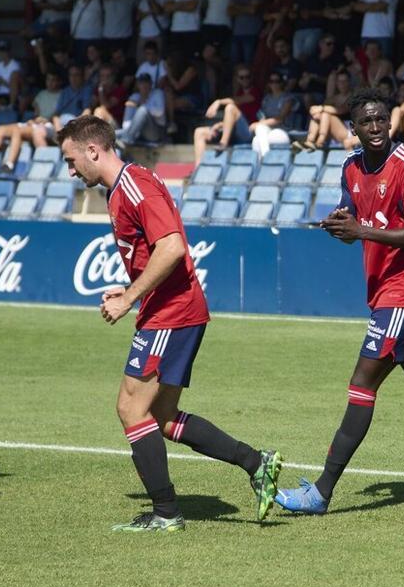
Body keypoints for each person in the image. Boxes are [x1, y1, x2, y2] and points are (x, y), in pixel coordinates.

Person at [56, 115, 283, 529]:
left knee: (130, 407)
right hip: (172, 309)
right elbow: (153, 253)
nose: (70, 170)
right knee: (161, 417)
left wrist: (129, 297)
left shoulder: (134, 186)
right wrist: (126, 287)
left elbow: (173, 247)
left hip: (172, 312)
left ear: (93, 150)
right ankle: (257, 462)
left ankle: (166, 513)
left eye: (72, 160)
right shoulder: (125, 187)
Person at [275, 89, 404, 519]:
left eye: (381, 120)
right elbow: (352, 209)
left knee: (361, 384)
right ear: (352, 128)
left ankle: (321, 491)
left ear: (390, 123)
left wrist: (363, 231)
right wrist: (339, 221)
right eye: (366, 122)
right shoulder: (351, 166)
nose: (375, 128)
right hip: (391, 292)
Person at [191, 66, 259, 165]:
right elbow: (233, 119)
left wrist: (218, 102)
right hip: (233, 132)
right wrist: (220, 125)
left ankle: (223, 143)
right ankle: (197, 170)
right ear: (237, 79)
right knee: (199, 132)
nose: (245, 79)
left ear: (252, 77)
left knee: (230, 107)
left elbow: (238, 101)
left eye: (247, 77)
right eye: (241, 77)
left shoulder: (256, 91)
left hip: (248, 132)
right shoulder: (239, 91)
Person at [118, 72, 168, 146]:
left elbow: (160, 112)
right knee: (113, 134)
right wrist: (134, 129)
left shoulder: (157, 93)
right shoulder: (133, 97)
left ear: (151, 84)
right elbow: (126, 124)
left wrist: (141, 104)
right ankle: (126, 139)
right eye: (141, 83)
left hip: (155, 132)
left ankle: (126, 140)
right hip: (136, 133)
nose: (144, 85)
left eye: (147, 82)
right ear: (138, 85)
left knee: (143, 110)